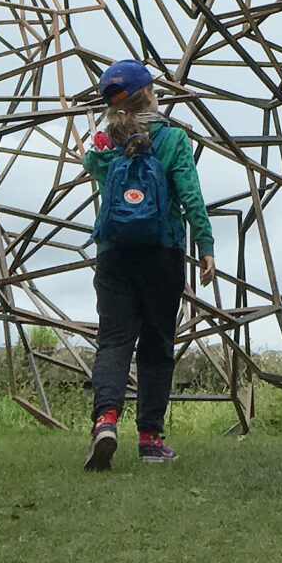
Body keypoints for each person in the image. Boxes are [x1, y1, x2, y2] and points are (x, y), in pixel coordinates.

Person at [82, 57, 216, 470]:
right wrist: (206, 245)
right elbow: (190, 194)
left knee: (114, 339)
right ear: (150, 95)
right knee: (157, 344)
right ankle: (150, 440)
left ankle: (105, 421)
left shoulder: (104, 144)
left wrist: (101, 137)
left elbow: (91, 164)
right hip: (163, 252)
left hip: (114, 254)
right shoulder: (173, 139)